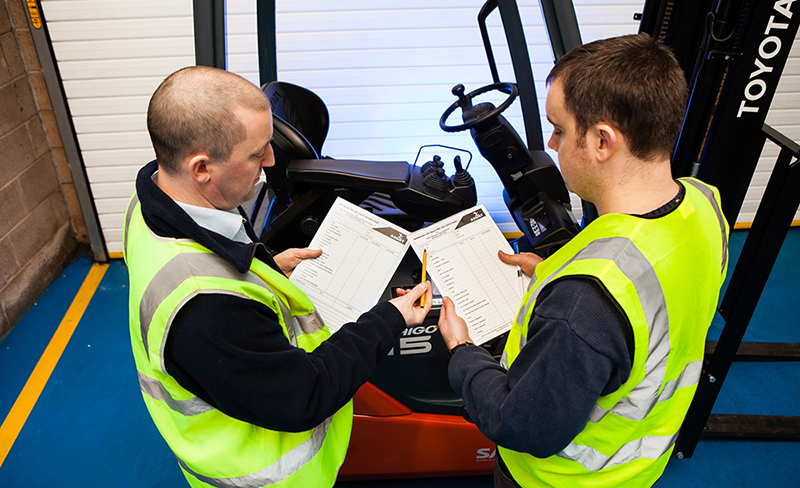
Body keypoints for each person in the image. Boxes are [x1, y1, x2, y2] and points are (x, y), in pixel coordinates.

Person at [437, 33, 729, 488]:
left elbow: (519, 425)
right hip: (640, 458)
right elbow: (647, 277)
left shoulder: (582, 304)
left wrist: (462, 351)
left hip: (561, 479)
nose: (552, 145)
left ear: (601, 140)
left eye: (559, 129)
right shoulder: (703, 204)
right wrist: (548, 269)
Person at [122, 66, 431, 488]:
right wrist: (390, 318)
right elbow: (305, 395)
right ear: (201, 168)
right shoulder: (206, 307)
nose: (270, 161)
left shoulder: (150, 203)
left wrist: (265, 266)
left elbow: (210, 256)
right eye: (257, 153)